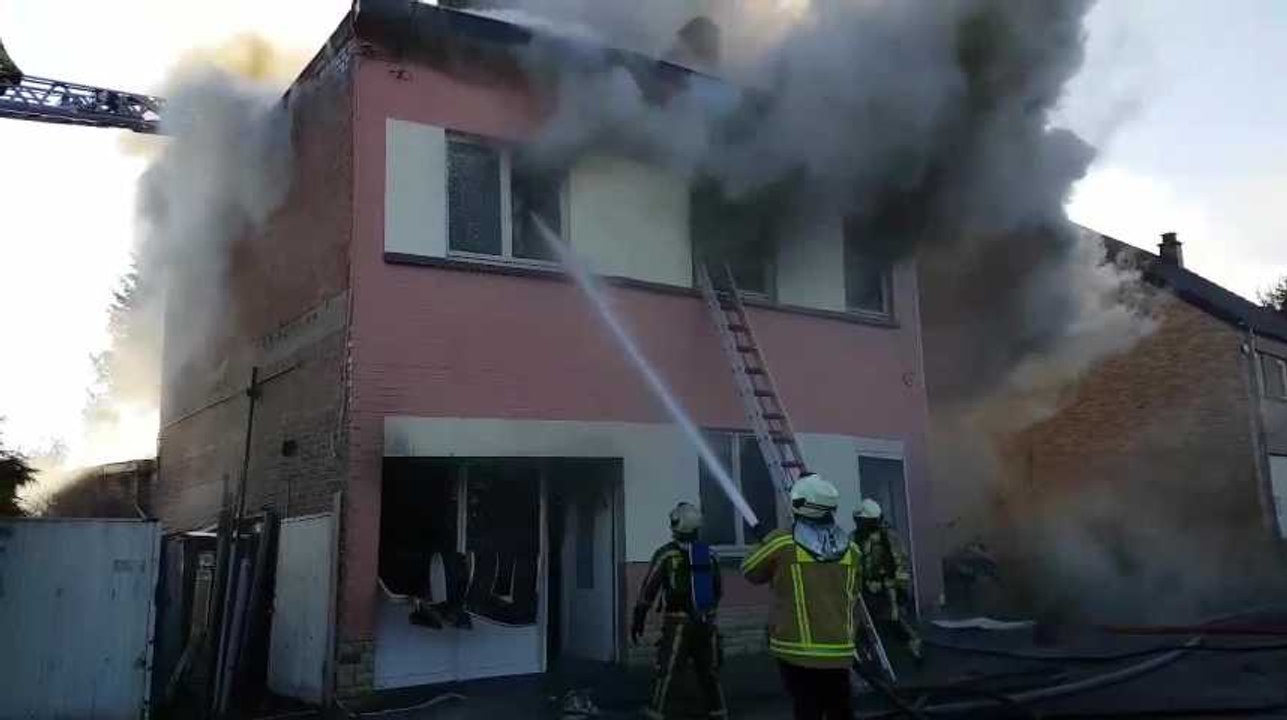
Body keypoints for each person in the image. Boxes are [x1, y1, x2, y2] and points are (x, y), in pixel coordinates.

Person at [741, 473, 861, 720]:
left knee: (807, 709)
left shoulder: (782, 542)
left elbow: (750, 571)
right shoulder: (853, 549)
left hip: (797, 649)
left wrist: (762, 543)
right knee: (840, 709)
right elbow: (853, 594)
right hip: (839, 650)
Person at [631, 502, 727, 720]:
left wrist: (638, 618)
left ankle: (657, 711)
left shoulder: (666, 555)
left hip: (678, 624)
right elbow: (718, 589)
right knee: (709, 671)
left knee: (668, 669)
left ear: (676, 525)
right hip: (706, 623)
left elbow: (649, 589)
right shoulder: (709, 554)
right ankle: (718, 710)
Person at [853, 499, 922, 664]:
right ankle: (866, 657)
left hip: (888, 590)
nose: (860, 524)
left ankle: (914, 649)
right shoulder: (855, 538)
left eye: (863, 521)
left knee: (895, 621)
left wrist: (899, 589)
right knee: (862, 625)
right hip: (864, 592)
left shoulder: (889, 539)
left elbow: (901, 565)